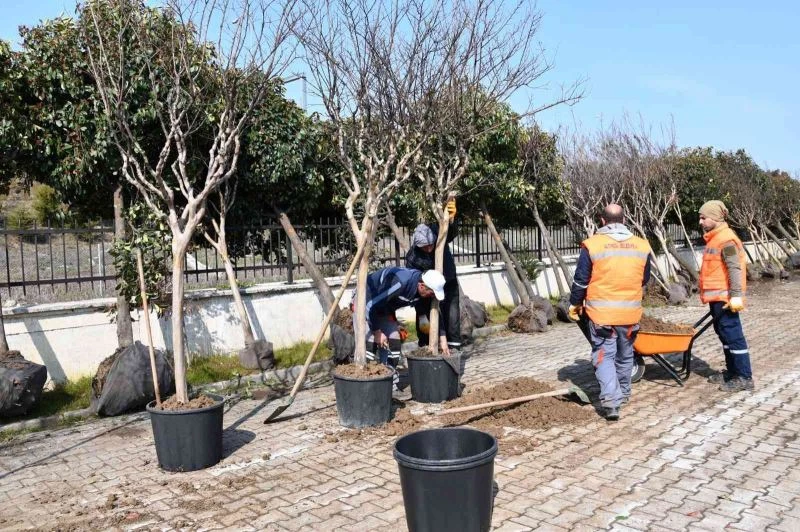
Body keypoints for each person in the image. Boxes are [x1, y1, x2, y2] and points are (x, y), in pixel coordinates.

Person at [568, 204, 652, 421]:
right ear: (624, 220)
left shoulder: (593, 245)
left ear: (602, 221)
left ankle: (611, 403)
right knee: (625, 355)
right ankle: (623, 393)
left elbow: (581, 280)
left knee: (604, 357)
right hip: (630, 315)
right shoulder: (642, 246)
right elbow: (644, 279)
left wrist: (575, 303)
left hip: (602, 316)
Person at [698, 200, 754, 392]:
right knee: (724, 335)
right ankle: (732, 372)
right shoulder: (715, 238)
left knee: (733, 335)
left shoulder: (727, 239)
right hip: (717, 298)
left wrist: (736, 296)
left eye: (703, 217)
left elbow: (734, 268)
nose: (700, 221)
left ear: (715, 217)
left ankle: (744, 377)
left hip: (726, 299)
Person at [354, 267, 447, 378]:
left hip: (383, 308)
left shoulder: (423, 290)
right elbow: (370, 305)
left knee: (394, 340)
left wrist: (443, 339)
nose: (432, 297)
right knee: (370, 343)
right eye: (431, 294)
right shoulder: (400, 283)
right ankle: (365, 379)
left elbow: (435, 313)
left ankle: (388, 378)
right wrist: (377, 332)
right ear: (422, 286)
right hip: (365, 302)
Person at [405, 198, 461, 353]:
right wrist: (421, 308)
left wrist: (451, 220)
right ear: (418, 245)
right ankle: (426, 347)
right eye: (425, 247)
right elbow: (414, 283)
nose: (429, 249)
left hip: (448, 282)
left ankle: (453, 349)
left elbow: (451, 232)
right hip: (427, 292)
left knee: (452, 317)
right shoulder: (412, 258)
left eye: (431, 245)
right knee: (424, 321)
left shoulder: (437, 231)